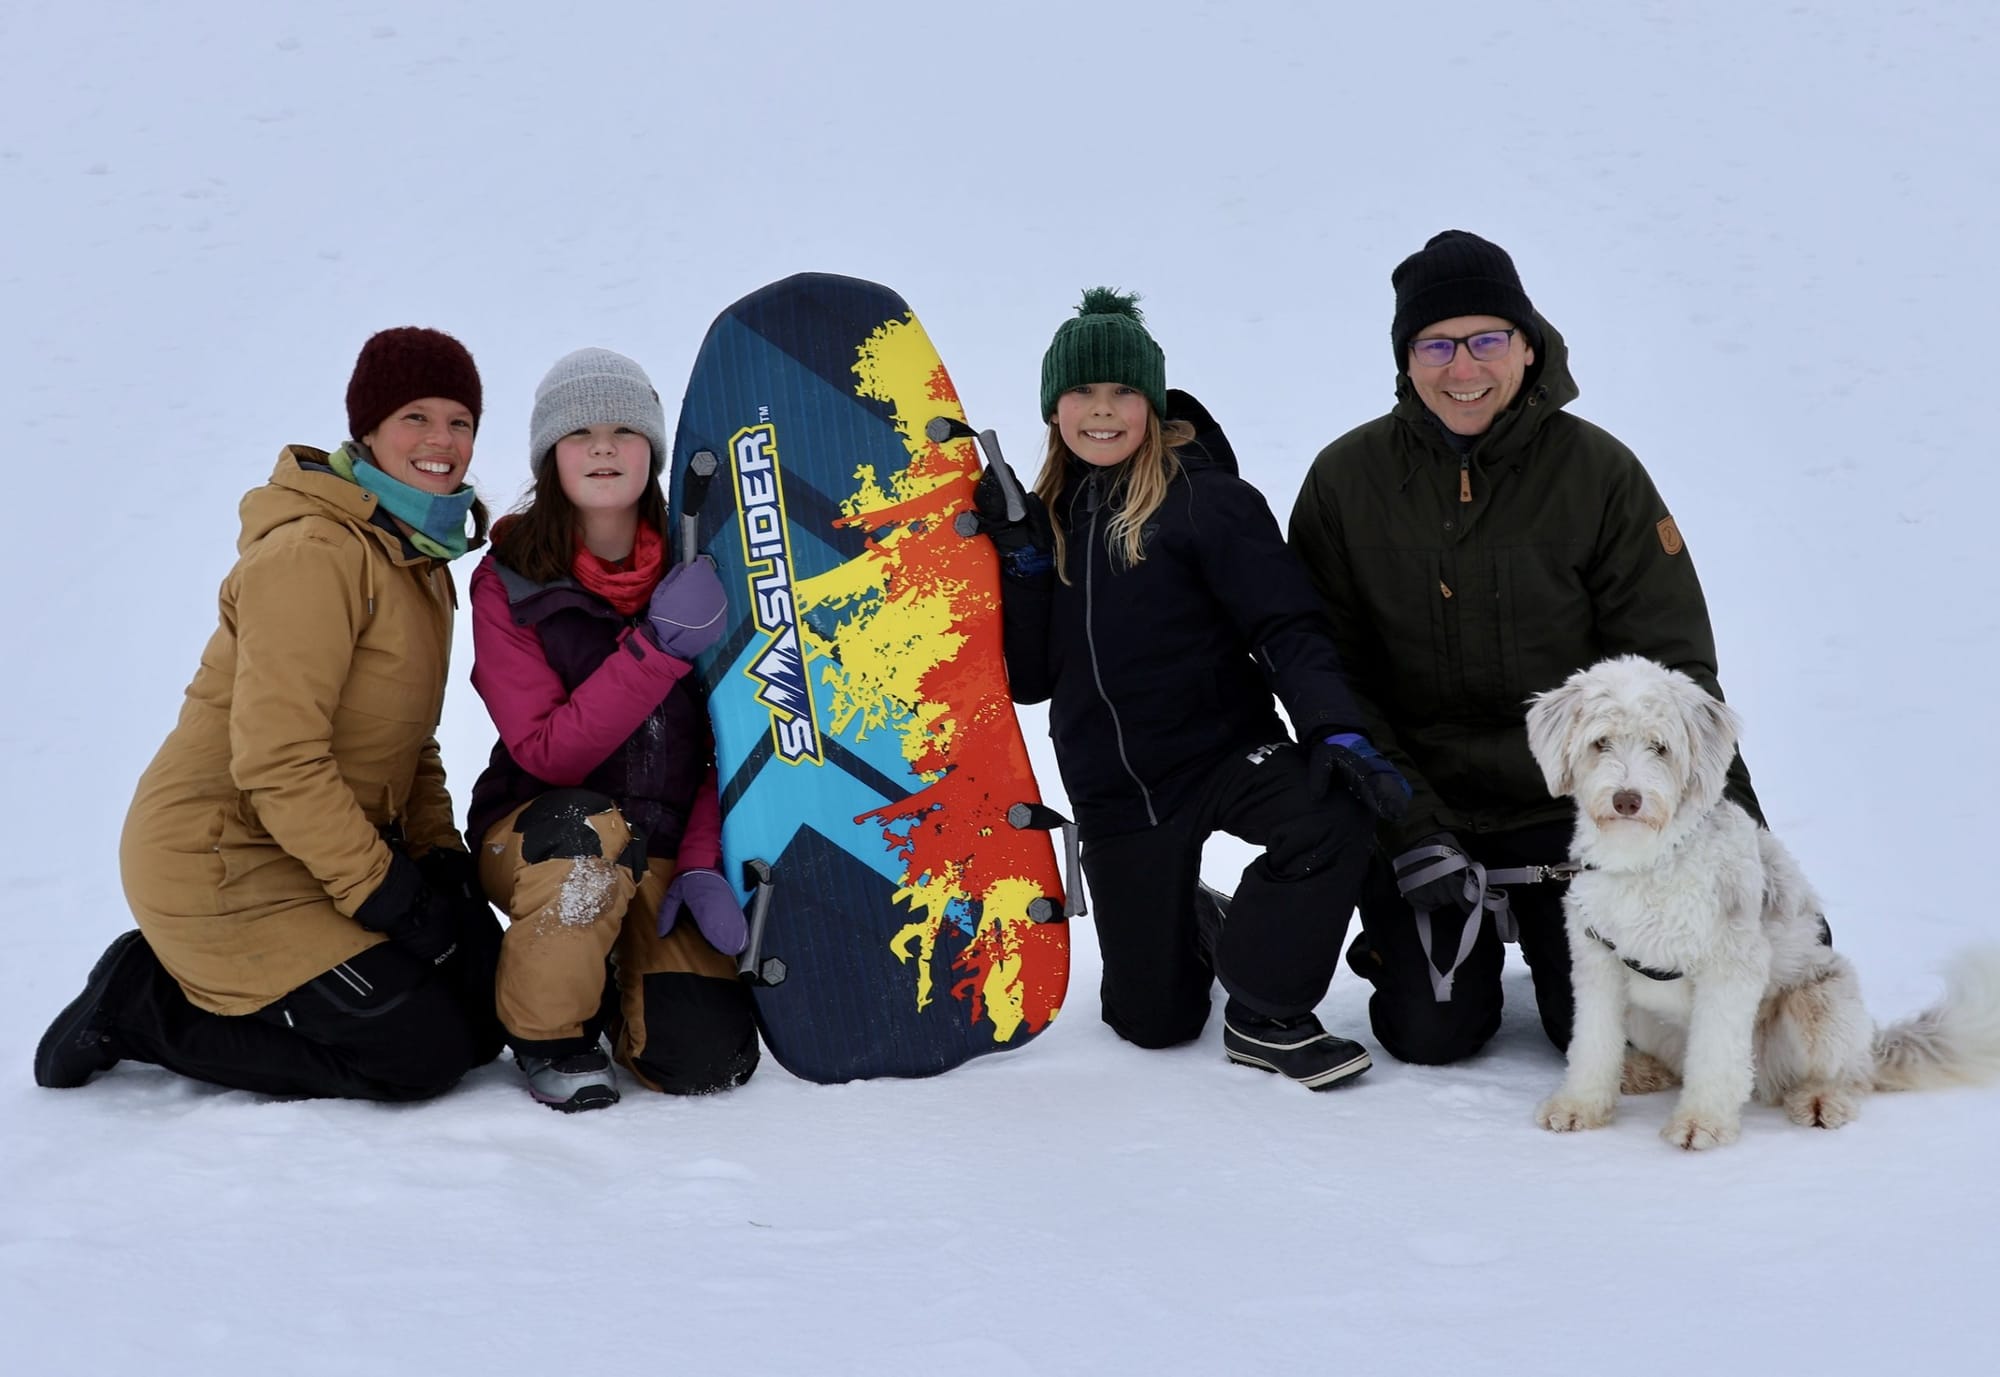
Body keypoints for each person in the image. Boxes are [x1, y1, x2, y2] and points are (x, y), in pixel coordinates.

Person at [1288, 229, 1764, 1067]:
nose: (1462, 369)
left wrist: (1745, 849)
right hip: (1419, 805)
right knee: (1430, 1033)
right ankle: (1399, 942)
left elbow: (1676, 676)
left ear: (1527, 345)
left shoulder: (1599, 474)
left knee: (1612, 1034)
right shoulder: (1344, 482)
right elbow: (1331, 676)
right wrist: (1409, 822)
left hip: (1569, 816)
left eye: (1485, 340)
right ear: (1406, 359)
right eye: (1436, 344)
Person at [36, 327, 505, 1099]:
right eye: (415, 416)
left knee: (487, 1012)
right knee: (417, 1053)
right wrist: (386, 893)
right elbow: (276, 759)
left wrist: (438, 859)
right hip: (223, 860)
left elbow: (411, 744)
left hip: (317, 851)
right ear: (369, 427)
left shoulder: (418, 561)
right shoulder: (315, 554)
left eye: (459, 421)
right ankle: (139, 1002)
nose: (441, 440)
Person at [975, 289, 1410, 1089]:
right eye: (1082, 393)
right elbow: (1032, 683)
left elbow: (1286, 627)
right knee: (1154, 1022)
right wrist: (1026, 564)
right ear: (1053, 408)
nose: (1102, 412)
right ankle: (1199, 918)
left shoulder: (1208, 501)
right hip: (1117, 792)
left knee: (1329, 811)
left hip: (1224, 752)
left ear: (1151, 402)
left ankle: (1266, 1011)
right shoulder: (1044, 518)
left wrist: (1333, 730)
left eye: (1123, 393)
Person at [465, 347, 759, 1112]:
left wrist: (699, 859)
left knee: (703, 1059)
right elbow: (546, 749)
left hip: (663, 844)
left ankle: (596, 979)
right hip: (538, 829)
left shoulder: (708, 565)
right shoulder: (508, 578)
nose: (603, 446)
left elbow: (731, 742)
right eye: (580, 432)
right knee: (587, 842)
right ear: (549, 456)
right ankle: (549, 1036)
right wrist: (656, 649)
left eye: (625, 428)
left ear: (652, 451)